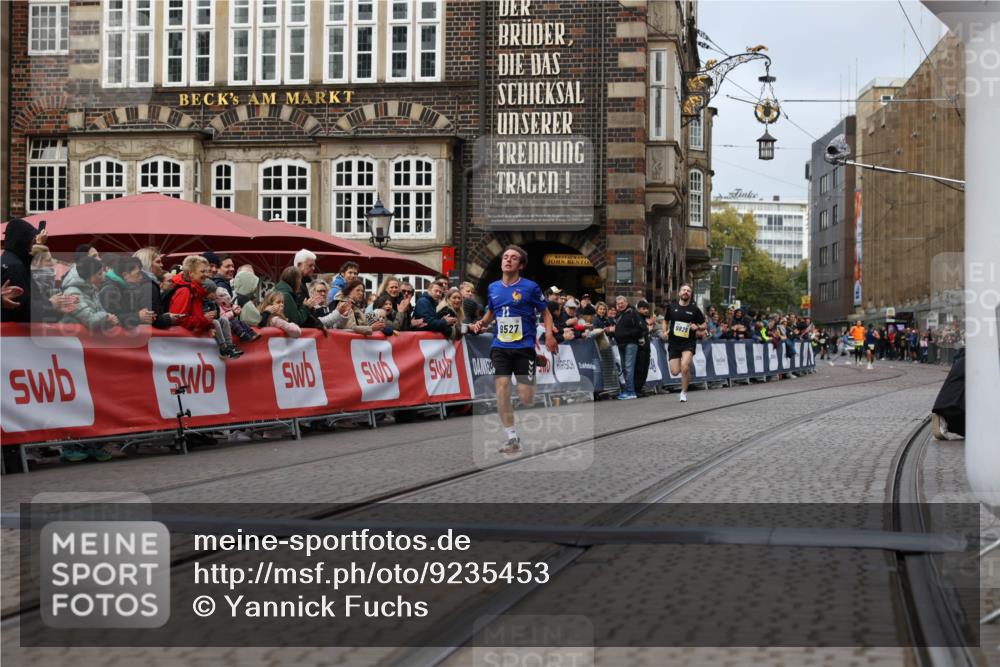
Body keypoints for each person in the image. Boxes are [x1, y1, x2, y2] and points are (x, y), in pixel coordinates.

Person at [469, 245, 556, 454]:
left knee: (526, 398)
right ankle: (512, 438)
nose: (508, 260)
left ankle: (534, 359)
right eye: (505, 257)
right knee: (502, 389)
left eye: (513, 258)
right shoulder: (493, 287)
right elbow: (492, 311)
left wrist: (549, 335)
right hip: (500, 345)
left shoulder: (530, 287)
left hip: (524, 346)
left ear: (521, 265)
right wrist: (482, 323)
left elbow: (546, 314)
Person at [168, 255, 242, 359]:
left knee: (221, 321)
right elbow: (178, 319)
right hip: (184, 349)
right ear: (191, 273)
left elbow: (198, 315)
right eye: (202, 272)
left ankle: (227, 347)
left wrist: (209, 326)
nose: (206, 275)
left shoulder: (196, 291)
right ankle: (224, 349)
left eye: (206, 271)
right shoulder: (185, 291)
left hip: (192, 347)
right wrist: (204, 320)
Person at [663, 283, 706, 403]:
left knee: (685, 367)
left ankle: (683, 392)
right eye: (684, 290)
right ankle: (686, 375)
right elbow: (665, 321)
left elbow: (704, 325)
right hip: (674, 342)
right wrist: (665, 331)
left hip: (688, 342)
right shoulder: (671, 307)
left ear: (690, 295)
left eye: (688, 291)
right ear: (679, 293)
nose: (686, 292)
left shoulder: (694, 309)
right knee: (675, 371)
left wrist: (697, 327)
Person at [0, 218, 44, 322]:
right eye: (33, 242)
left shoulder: (6, 260)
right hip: (13, 329)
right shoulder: (16, 267)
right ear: (23, 242)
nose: (34, 247)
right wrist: (52, 305)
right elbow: (27, 310)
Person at [60, 256, 120, 331]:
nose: (103, 278)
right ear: (89, 276)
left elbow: (100, 312)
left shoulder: (92, 288)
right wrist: (106, 316)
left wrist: (109, 320)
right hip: (71, 335)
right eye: (99, 274)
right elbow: (90, 320)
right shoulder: (72, 293)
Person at [98, 256, 158, 329]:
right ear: (125, 275)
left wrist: (144, 314)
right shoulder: (110, 290)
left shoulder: (124, 287)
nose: (141, 277)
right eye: (138, 274)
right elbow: (111, 319)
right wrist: (138, 316)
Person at [613, 295, 645, 400]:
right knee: (624, 368)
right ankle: (628, 390)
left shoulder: (633, 313)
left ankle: (631, 392)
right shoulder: (619, 315)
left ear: (626, 303)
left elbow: (640, 328)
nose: (620, 305)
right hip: (621, 344)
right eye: (618, 304)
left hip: (630, 344)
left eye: (622, 303)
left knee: (628, 368)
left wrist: (625, 334)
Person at [633, 300, 653, 395]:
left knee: (645, 368)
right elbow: (638, 332)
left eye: (647, 309)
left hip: (646, 348)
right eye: (643, 309)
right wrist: (648, 329)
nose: (646, 311)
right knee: (639, 369)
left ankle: (640, 388)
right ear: (638, 309)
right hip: (640, 348)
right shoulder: (636, 318)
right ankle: (636, 389)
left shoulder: (644, 319)